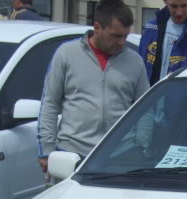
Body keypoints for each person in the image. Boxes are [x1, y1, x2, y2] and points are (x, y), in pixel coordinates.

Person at [37, 0, 149, 173]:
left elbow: (145, 110)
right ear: (97, 28)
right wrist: (46, 151)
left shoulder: (135, 61)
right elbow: (49, 103)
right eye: (116, 36)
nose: (122, 42)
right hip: (72, 154)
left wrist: (141, 147)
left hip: (120, 156)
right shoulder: (66, 54)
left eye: (125, 36)